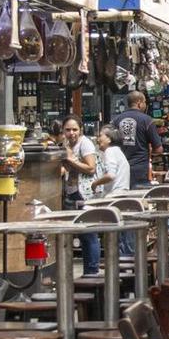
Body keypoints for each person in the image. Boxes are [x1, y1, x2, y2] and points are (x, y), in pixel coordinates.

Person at [58, 117, 101, 273]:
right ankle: (87, 272)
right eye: (68, 130)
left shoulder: (85, 143)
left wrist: (70, 159)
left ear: (81, 130)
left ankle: (92, 272)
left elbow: (91, 168)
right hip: (74, 193)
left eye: (74, 129)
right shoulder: (67, 145)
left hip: (86, 194)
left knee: (89, 233)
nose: (71, 133)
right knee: (82, 235)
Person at [114, 91, 162, 188]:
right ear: (139, 103)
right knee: (138, 198)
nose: (145, 104)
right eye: (145, 102)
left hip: (120, 168)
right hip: (140, 169)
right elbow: (159, 149)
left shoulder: (116, 120)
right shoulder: (147, 120)